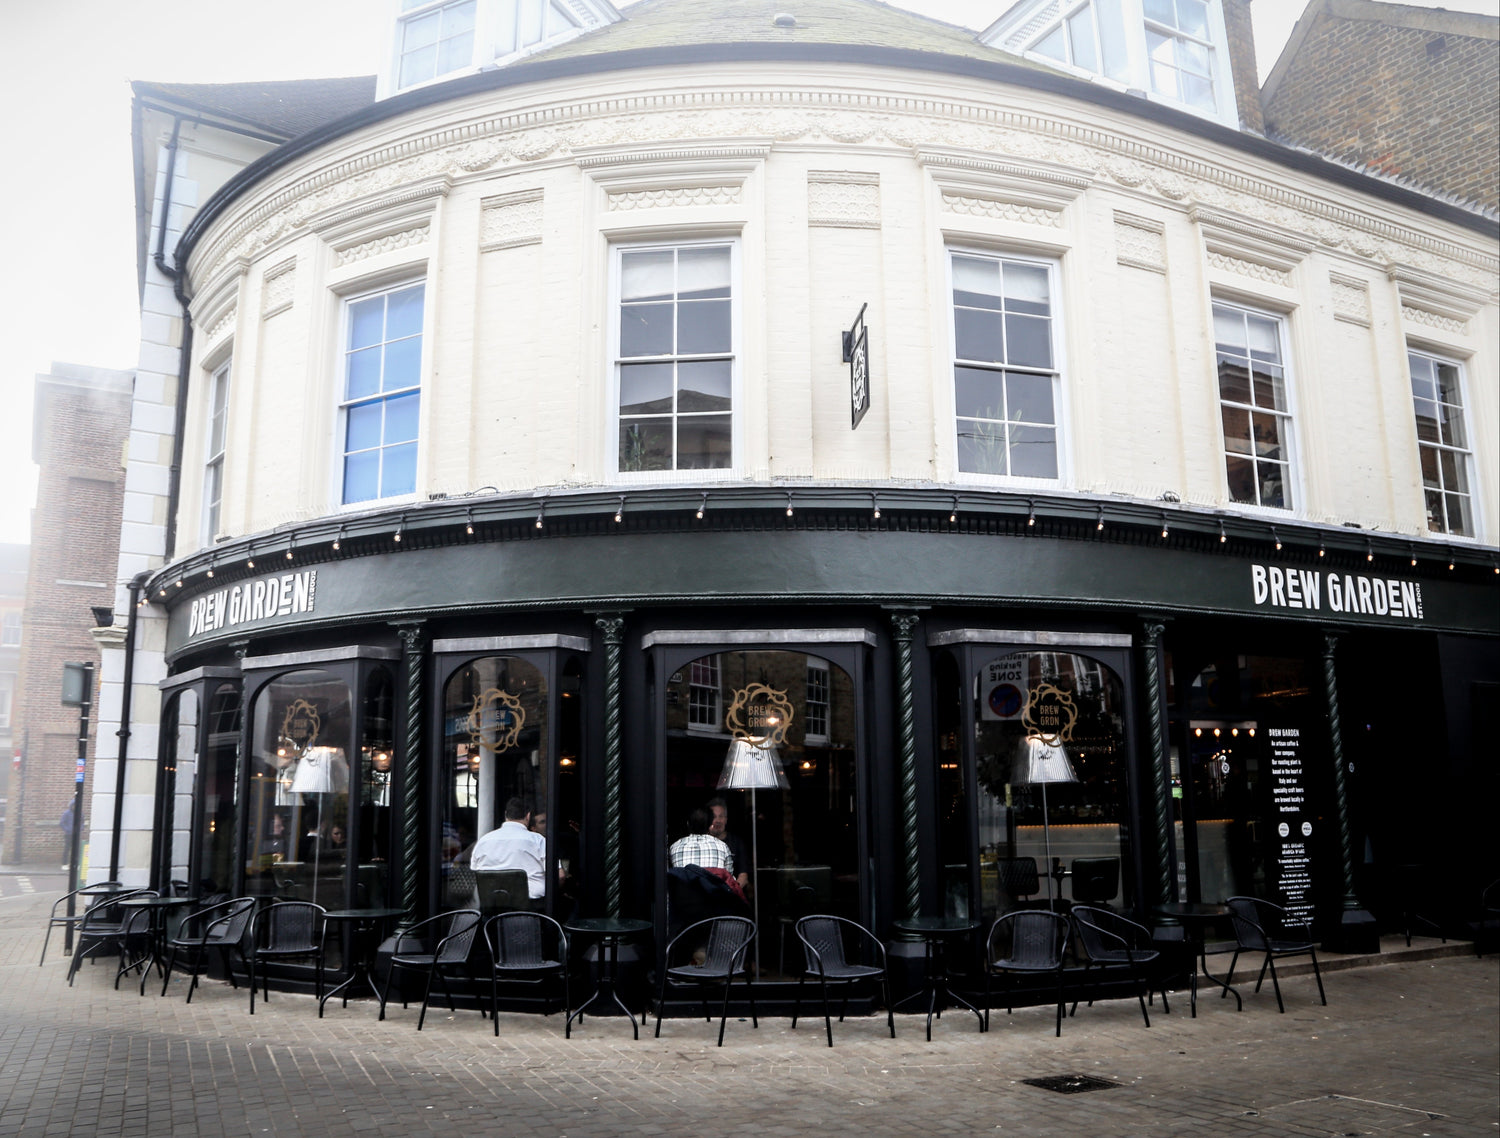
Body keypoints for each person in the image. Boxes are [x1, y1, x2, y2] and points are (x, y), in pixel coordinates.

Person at [470, 797, 548, 900]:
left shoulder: (484, 840)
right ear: (528, 816)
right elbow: (559, 876)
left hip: (493, 905)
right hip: (533, 907)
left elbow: (475, 870)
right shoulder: (538, 840)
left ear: (506, 814)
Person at [668, 807, 733, 871]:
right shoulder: (722, 847)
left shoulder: (675, 847)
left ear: (688, 824)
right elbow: (728, 878)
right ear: (710, 825)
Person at [706, 797, 749, 889]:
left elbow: (743, 876)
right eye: (713, 817)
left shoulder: (737, 843)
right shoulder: (701, 842)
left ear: (726, 819)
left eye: (721, 816)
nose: (717, 821)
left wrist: (730, 893)